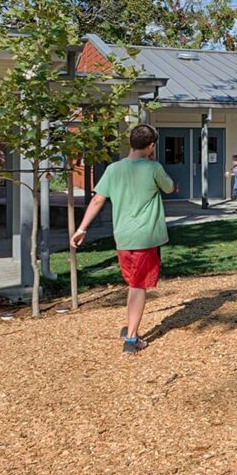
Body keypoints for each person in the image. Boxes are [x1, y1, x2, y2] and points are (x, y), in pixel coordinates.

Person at [72, 123, 176, 355]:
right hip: (145, 237)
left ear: (131, 142)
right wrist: (153, 162)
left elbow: (98, 200)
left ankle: (129, 325)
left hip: (123, 236)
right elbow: (169, 188)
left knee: (133, 283)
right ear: (151, 146)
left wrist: (81, 228)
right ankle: (131, 338)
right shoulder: (154, 167)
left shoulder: (113, 169)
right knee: (139, 286)